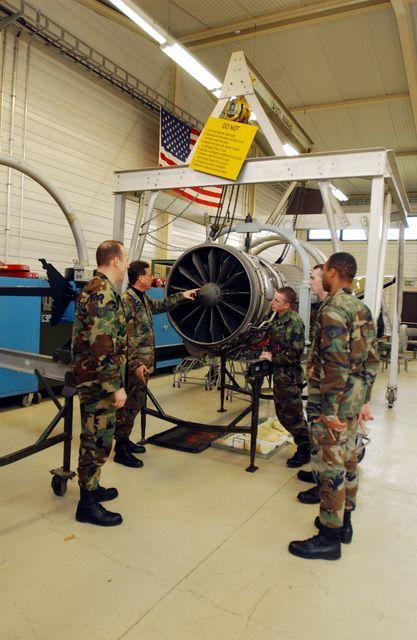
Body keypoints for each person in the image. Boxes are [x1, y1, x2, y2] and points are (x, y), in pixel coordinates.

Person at [288, 252, 379, 560]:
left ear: (335, 272)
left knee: (330, 467)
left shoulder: (334, 311)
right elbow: (372, 360)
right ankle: (345, 524)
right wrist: (363, 399)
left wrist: (329, 410)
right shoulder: (361, 308)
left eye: (324, 270)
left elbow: (335, 365)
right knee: (350, 460)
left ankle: (328, 538)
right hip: (352, 401)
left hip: (333, 403)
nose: (322, 275)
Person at [113, 260, 198, 466]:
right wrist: (135, 365)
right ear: (140, 278)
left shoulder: (143, 298)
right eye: (149, 274)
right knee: (127, 408)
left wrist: (182, 296)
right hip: (135, 366)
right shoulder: (127, 301)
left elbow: (161, 305)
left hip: (144, 364)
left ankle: (124, 441)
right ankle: (120, 449)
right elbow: (125, 340)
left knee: (135, 405)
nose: (152, 277)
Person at [72, 240, 128, 527]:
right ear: (116, 261)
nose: (127, 264)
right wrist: (115, 385)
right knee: (97, 440)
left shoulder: (98, 288)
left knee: (98, 437)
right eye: (125, 258)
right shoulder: (102, 293)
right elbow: (102, 345)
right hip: (98, 381)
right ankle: (87, 504)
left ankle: (92, 488)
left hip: (95, 378)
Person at [260, 287, 310, 467]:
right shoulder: (278, 319)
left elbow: (295, 353)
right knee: (283, 414)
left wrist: (272, 358)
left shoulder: (294, 322)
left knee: (293, 416)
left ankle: (306, 449)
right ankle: (307, 445)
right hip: (281, 377)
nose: (272, 303)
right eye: (273, 299)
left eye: (277, 301)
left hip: (289, 378)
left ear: (287, 305)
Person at [297, 263, 329, 494]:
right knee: (317, 432)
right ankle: (318, 471)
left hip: (329, 390)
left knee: (328, 438)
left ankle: (325, 487)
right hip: (319, 385)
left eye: (314, 278)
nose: (310, 282)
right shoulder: (326, 308)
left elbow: (337, 360)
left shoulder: (335, 311)